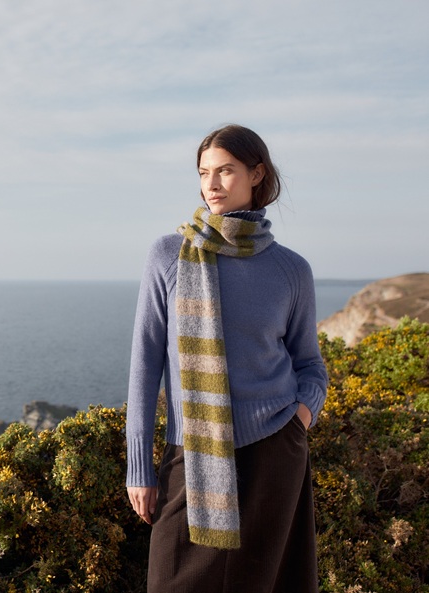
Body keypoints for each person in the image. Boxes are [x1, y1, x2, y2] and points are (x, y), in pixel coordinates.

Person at [125, 124, 328, 592]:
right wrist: (139, 467)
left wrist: (299, 419)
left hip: (274, 451)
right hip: (192, 451)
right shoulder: (170, 255)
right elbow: (144, 364)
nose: (211, 184)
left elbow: (310, 364)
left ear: (257, 174)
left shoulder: (291, 270)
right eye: (203, 173)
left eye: (225, 171)